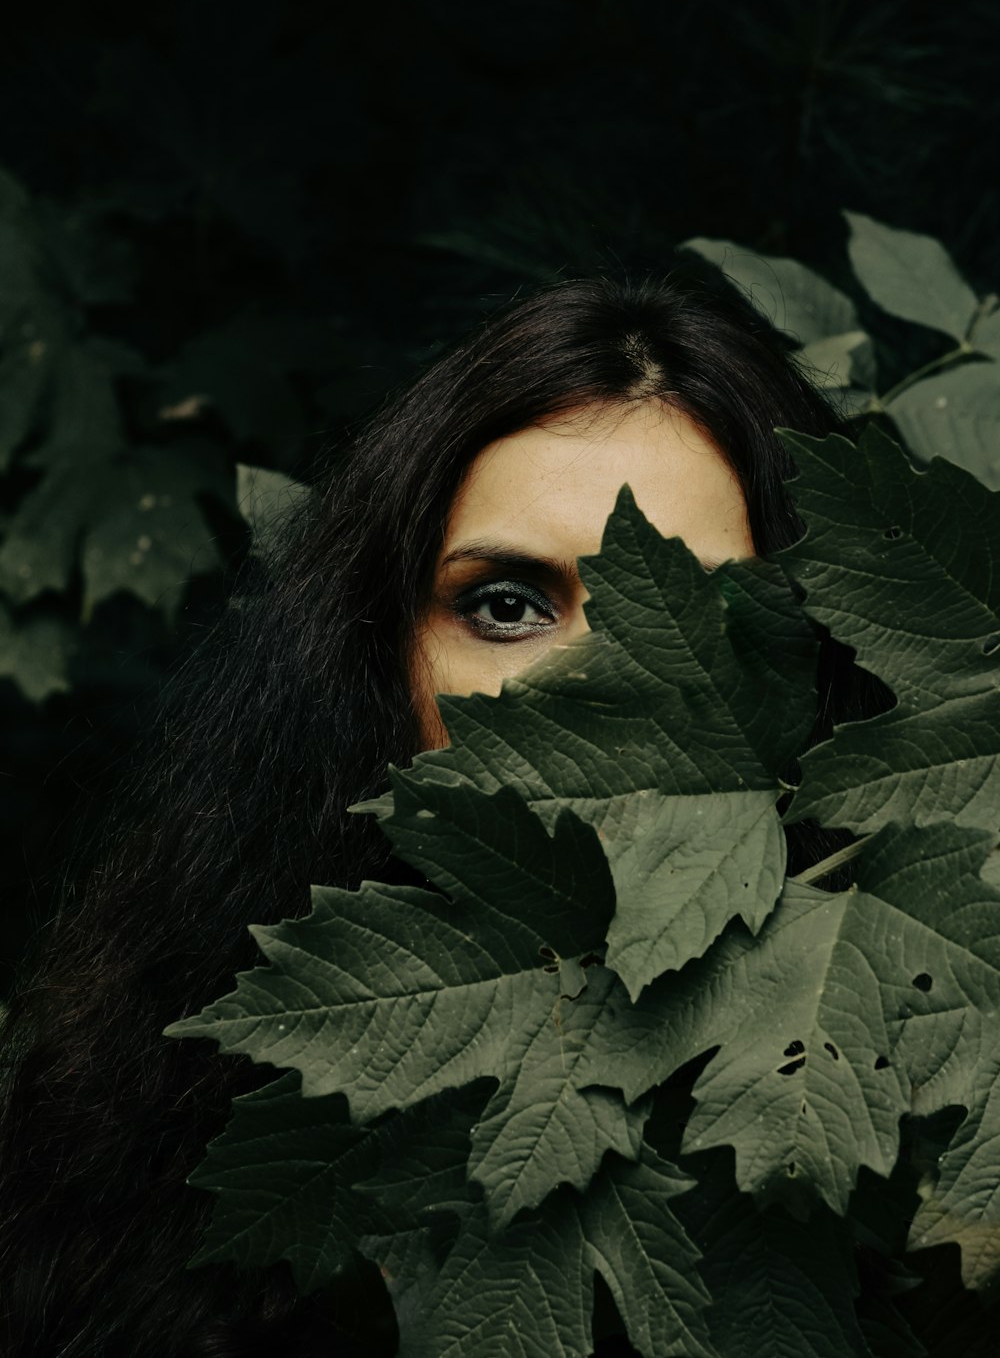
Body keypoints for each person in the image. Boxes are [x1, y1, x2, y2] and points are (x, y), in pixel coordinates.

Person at [0, 271, 867, 1356]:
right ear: (378, 664)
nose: (581, 692)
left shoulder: (920, 1159)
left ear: (825, 672)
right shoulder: (144, 1136)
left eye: (692, 613)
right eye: (505, 606)